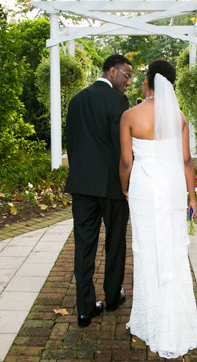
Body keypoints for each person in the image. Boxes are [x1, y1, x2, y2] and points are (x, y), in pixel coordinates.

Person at [119, 59, 197, 358]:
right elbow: (185, 161)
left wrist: (125, 186)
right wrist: (192, 197)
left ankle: (150, 319)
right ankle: (175, 320)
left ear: (148, 81)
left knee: (147, 249)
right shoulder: (178, 116)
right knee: (175, 249)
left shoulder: (130, 115)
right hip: (173, 189)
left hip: (144, 187)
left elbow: (127, 161)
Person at [65, 54, 132, 328]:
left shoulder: (76, 100)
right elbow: (121, 148)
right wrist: (127, 185)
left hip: (81, 186)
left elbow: (71, 143)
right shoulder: (117, 101)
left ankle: (85, 308)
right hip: (113, 187)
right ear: (113, 71)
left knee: (84, 246)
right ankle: (113, 297)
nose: (128, 82)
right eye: (126, 75)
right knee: (115, 242)